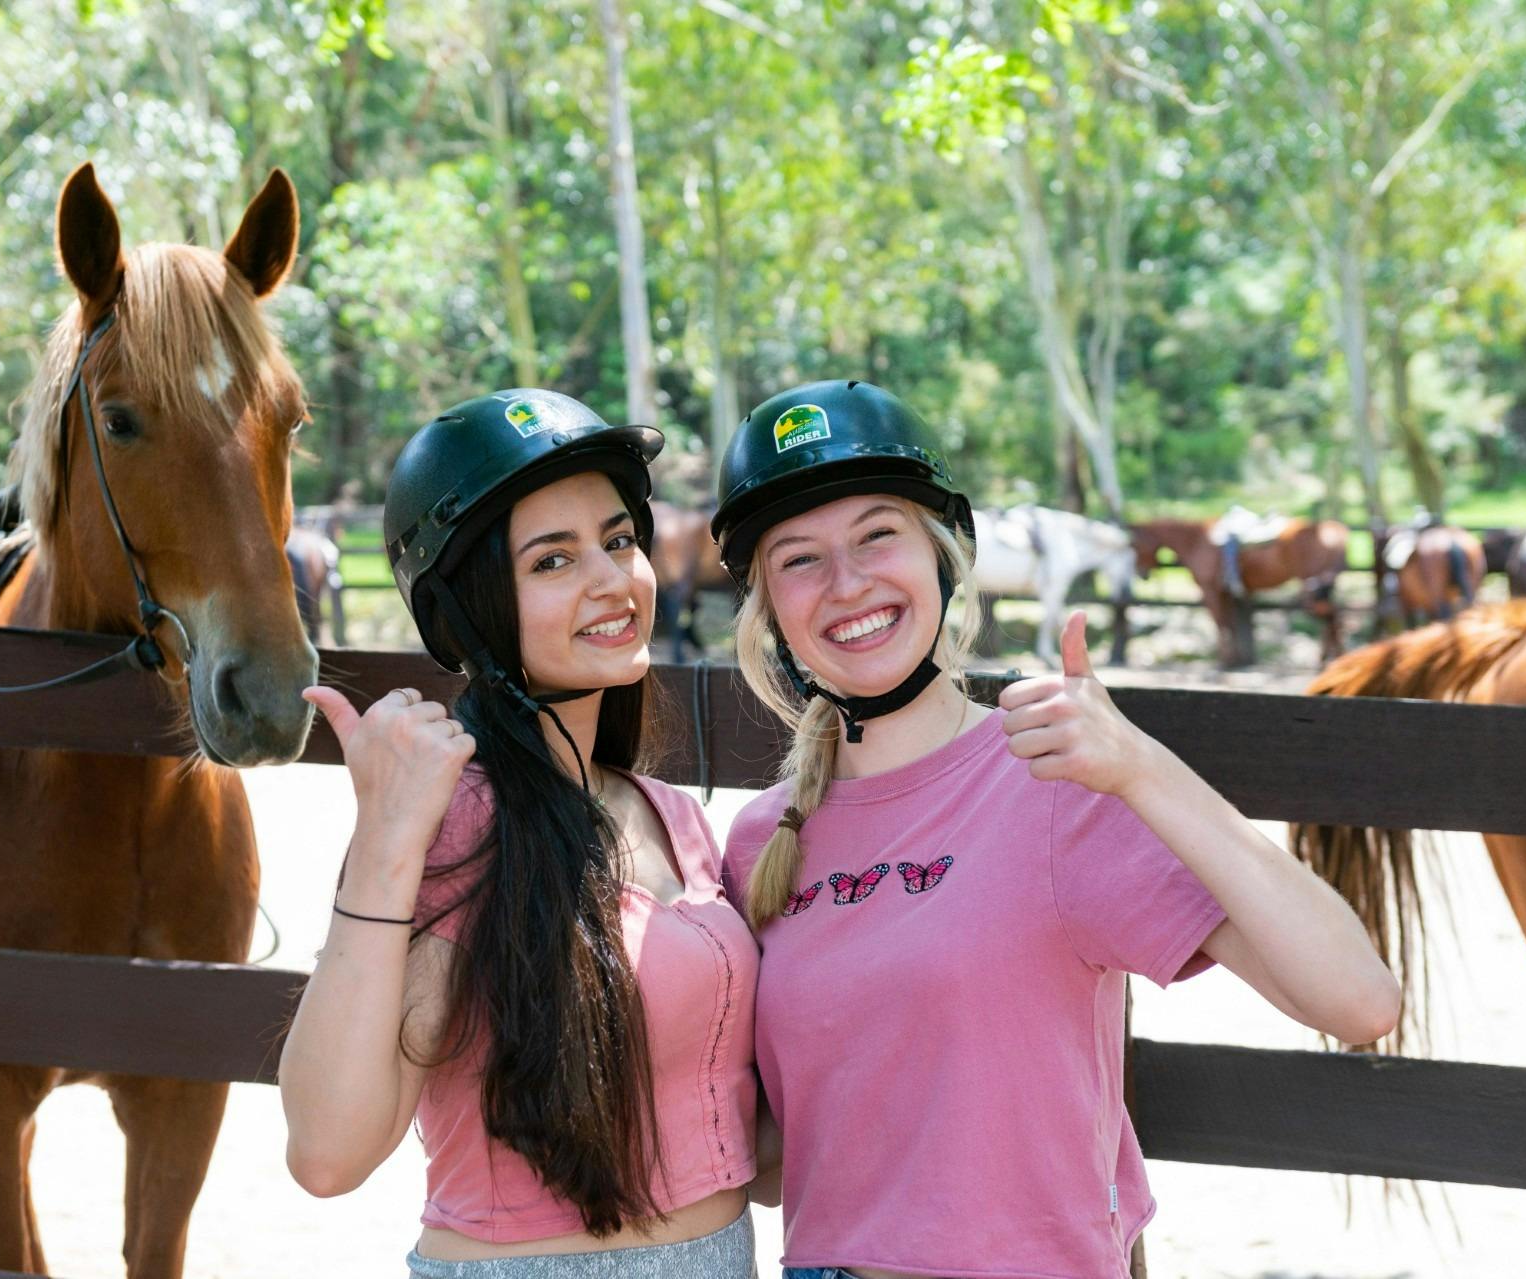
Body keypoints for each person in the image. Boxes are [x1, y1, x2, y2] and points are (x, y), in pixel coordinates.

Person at [709, 379, 1401, 1279]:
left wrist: (1144, 767)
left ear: (945, 554)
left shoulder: (1057, 786)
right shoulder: (761, 840)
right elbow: (773, 1155)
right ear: (768, 606)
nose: (848, 582)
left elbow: (1360, 1001)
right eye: (800, 558)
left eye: (878, 534)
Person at [279, 389, 761, 1278]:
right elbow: (327, 1152)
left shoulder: (676, 816)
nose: (612, 579)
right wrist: (385, 842)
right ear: (469, 609)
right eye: (553, 560)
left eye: (619, 540)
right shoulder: (454, 820)